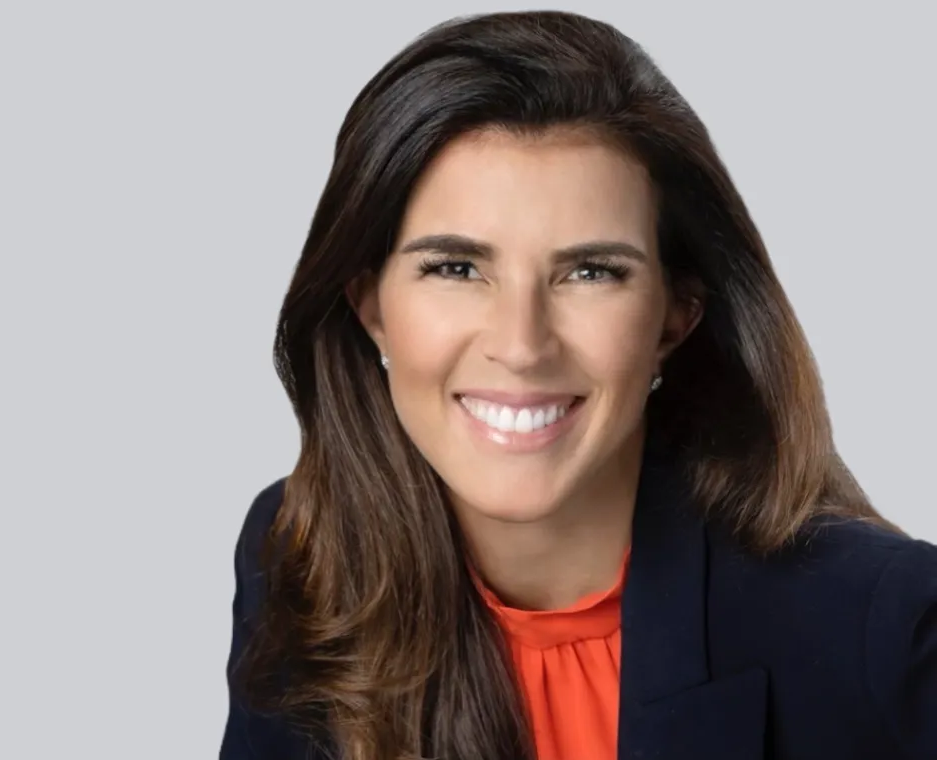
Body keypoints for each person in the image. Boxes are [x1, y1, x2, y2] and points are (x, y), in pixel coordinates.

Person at [218, 10, 937, 760]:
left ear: (674, 316)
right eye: (457, 269)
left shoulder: (880, 624)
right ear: (370, 307)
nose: (521, 345)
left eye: (590, 272)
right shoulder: (302, 550)